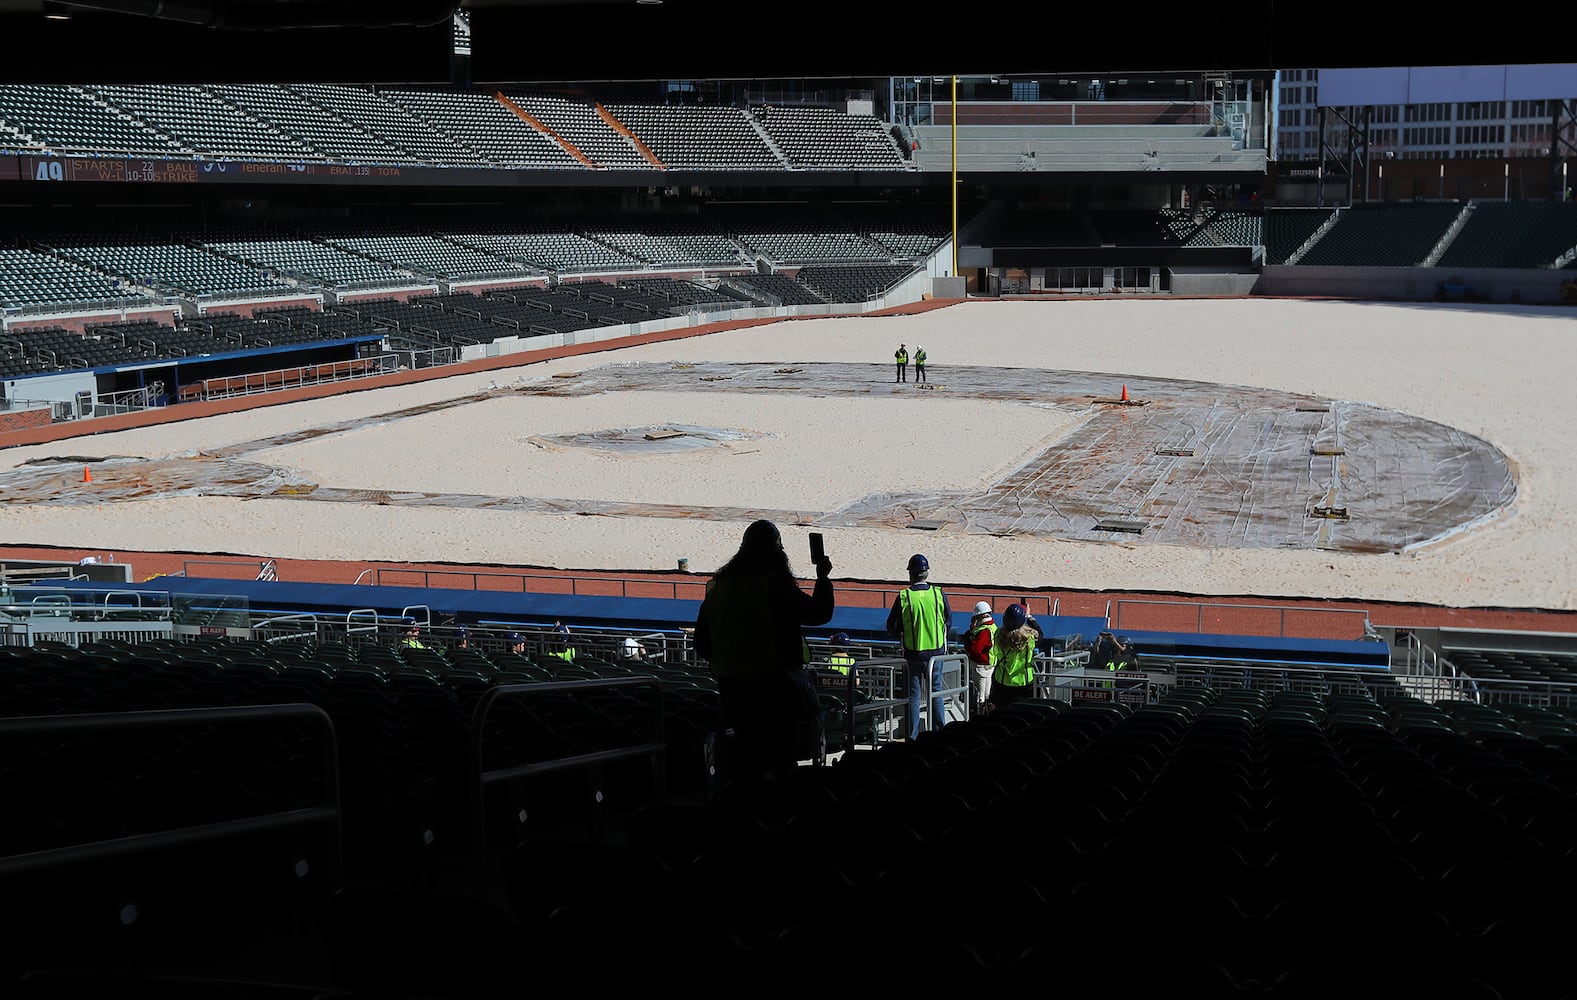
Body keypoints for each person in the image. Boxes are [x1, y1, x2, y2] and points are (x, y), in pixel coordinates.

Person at [695, 519, 835, 784]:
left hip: (732, 692)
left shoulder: (719, 586)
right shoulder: (775, 586)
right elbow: (819, 613)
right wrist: (823, 578)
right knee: (779, 764)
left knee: (745, 764)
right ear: (777, 552)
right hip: (775, 692)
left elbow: (702, 642)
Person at [886, 553, 951, 739]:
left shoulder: (904, 596)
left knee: (913, 697)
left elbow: (892, 626)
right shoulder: (938, 593)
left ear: (911, 574)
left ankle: (912, 737)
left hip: (913, 655)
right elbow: (948, 620)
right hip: (936, 653)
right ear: (926, 573)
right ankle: (940, 732)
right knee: (936, 693)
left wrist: (904, 631)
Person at [988, 603, 1038, 711]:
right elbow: (1040, 634)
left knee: (1002, 715)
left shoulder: (997, 634)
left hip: (1002, 682)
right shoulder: (1029, 638)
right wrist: (1029, 618)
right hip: (1024, 683)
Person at [963, 601, 997, 709]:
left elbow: (975, 650)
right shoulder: (992, 626)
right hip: (990, 664)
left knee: (981, 695)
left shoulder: (983, 631)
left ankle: (980, 716)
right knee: (986, 694)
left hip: (981, 665)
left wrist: (968, 642)